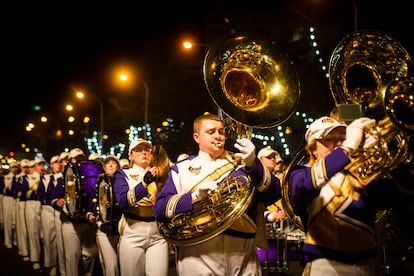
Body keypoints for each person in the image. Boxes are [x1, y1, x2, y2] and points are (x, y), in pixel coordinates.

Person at [154, 113, 281, 275]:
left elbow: (275, 194)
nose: (218, 136)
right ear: (197, 137)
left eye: (221, 131)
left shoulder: (242, 164)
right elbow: (159, 209)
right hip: (198, 255)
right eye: (211, 132)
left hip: (242, 254)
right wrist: (194, 197)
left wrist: (253, 163)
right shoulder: (182, 169)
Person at [287, 115, 414, 275]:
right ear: (313, 148)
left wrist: (392, 157)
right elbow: (303, 186)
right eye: (329, 139)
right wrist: (347, 149)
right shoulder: (301, 173)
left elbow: (402, 195)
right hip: (325, 265)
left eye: (343, 137)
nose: (338, 143)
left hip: (366, 265)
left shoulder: (360, 175)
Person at [114, 138, 169, 276]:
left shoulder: (161, 174)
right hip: (133, 232)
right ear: (131, 155)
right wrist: (144, 183)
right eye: (138, 150)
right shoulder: (123, 174)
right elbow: (123, 202)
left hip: (158, 234)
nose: (144, 153)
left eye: (147, 150)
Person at [60, 148, 99, 276]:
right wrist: (58, 201)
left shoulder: (90, 175)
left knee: (91, 254)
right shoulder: (65, 176)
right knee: (72, 257)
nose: (79, 161)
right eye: (76, 159)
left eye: (81, 158)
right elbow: (54, 196)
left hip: (86, 222)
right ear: (70, 161)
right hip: (70, 222)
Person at [91, 155, 121, 276]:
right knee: (111, 266)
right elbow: (92, 201)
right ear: (103, 167)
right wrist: (90, 213)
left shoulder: (123, 182)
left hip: (119, 228)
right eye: (108, 163)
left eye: (114, 163)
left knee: (122, 265)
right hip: (103, 227)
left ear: (118, 166)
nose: (110, 165)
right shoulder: (98, 182)